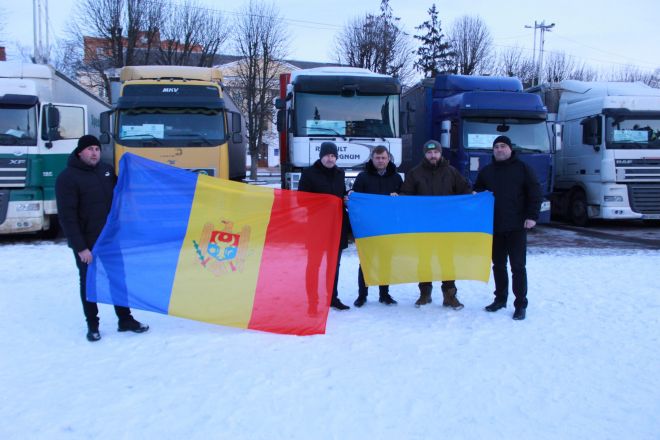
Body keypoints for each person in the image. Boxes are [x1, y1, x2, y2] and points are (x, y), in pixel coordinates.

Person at [56, 134, 149, 341]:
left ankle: (125, 319)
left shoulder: (106, 170)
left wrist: (132, 169)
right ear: (80, 152)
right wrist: (81, 248)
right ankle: (92, 325)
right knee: (89, 283)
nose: (94, 153)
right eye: (90, 149)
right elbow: (67, 217)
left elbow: (122, 193)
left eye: (97, 149)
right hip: (87, 244)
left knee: (119, 279)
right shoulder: (67, 178)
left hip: (111, 240)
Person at [473, 135, 542, 320]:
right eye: (496, 147)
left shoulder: (523, 169)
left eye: (503, 146)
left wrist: (532, 216)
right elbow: (477, 191)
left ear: (510, 149)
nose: (499, 149)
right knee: (499, 265)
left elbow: (535, 193)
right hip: (495, 226)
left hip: (517, 226)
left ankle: (520, 304)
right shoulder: (487, 171)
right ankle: (500, 299)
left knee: (518, 267)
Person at [400, 139, 472, 309]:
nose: (433, 155)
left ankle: (449, 295)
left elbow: (465, 191)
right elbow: (406, 194)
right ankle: (425, 293)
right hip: (423, 227)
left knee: (446, 261)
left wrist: (474, 196)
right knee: (424, 260)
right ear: (425, 154)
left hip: (446, 227)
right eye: (429, 152)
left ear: (441, 153)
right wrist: (400, 197)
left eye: (436, 152)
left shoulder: (452, 172)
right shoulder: (415, 173)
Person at [298, 141, 351, 311]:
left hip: (336, 226)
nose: (331, 158)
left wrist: (346, 197)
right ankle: (312, 301)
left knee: (334, 265)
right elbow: (301, 200)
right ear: (321, 156)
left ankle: (332, 297)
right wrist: (322, 203)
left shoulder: (339, 173)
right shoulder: (309, 174)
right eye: (328, 155)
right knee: (314, 265)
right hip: (317, 227)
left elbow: (340, 194)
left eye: (334, 155)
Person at [349, 145, 402, 307]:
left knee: (386, 261)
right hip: (368, 227)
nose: (380, 161)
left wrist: (398, 197)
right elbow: (355, 200)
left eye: (383, 158)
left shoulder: (396, 178)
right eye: (377, 158)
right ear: (372, 159)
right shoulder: (362, 177)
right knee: (366, 261)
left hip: (388, 227)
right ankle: (362, 295)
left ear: (388, 159)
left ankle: (384, 294)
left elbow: (405, 200)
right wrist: (351, 194)